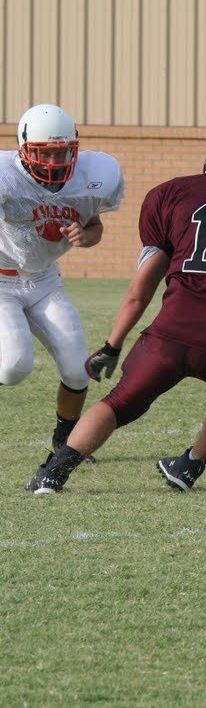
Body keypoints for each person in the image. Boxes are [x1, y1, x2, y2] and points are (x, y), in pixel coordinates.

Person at [26, 133, 206, 493]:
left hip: (172, 331)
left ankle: (53, 473)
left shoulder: (172, 194)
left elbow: (140, 290)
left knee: (119, 402)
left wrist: (111, 346)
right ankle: (190, 465)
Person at [1, 103, 123, 460]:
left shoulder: (95, 176)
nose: (54, 161)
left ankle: (64, 440)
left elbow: (96, 226)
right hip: (2, 281)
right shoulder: (6, 177)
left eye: (62, 152)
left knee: (77, 367)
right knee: (12, 368)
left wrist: (86, 237)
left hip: (44, 280)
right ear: (23, 149)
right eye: (45, 153)